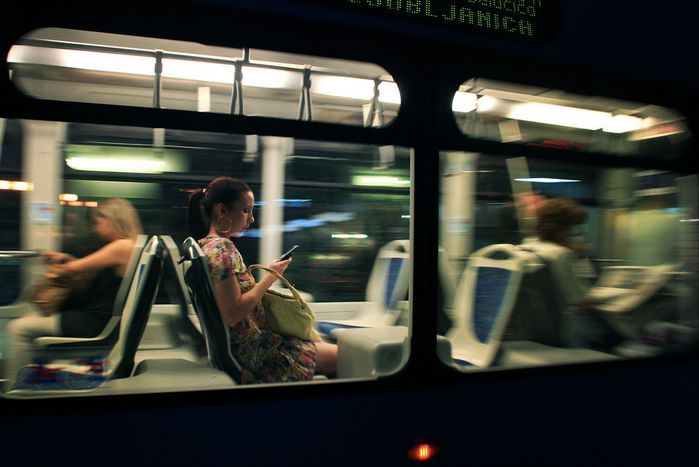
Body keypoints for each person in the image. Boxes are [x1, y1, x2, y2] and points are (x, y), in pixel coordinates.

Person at [187, 176, 337, 383]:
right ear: (222, 211)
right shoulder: (222, 249)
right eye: (245, 210)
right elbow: (232, 313)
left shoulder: (207, 246)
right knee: (340, 355)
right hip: (258, 356)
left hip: (252, 347)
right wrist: (270, 276)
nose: (252, 219)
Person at [5, 198, 143, 386]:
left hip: (93, 321)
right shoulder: (128, 245)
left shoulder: (122, 246)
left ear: (113, 219)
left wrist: (62, 262)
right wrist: (65, 258)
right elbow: (89, 266)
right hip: (99, 316)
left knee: (17, 329)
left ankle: (15, 385)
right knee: (31, 318)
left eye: (98, 221)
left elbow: (76, 268)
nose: (96, 227)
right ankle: (32, 377)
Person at [521, 198, 623, 351]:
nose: (574, 233)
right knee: (619, 338)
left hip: (532, 332)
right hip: (567, 332)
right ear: (562, 228)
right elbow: (579, 302)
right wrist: (608, 301)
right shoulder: (559, 254)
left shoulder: (526, 246)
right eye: (572, 228)